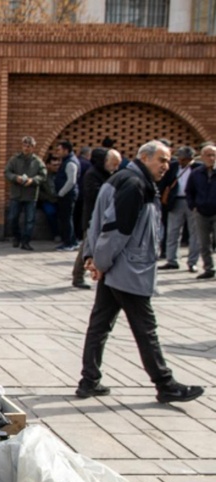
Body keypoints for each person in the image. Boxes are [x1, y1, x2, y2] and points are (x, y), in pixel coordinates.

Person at [77, 140, 203, 404]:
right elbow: (115, 230)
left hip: (115, 267)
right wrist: (99, 262)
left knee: (99, 325)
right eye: (162, 160)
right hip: (126, 270)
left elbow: (97, 222)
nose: (166, 166)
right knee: (146, 328)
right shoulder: (134, 184)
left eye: (167, 161)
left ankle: (89, 381)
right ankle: (165, 384)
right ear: (145, 158)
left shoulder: (126, 179)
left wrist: (94, 257)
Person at [72, 148, 119, 290]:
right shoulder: (92, 174)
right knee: (86, 247)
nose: (116, 168)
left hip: (104, 217)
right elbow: (94, 195)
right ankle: (78, 276)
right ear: (104, 161)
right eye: (113, 164)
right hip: (92, 218)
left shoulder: (108, 175)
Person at [5, 136, 45, 250]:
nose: (26, 148)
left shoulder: (37, 161)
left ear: (33, 147)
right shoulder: (14, 159)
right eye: (24, 145)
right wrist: (15, 178)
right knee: (12, 218)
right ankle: (16, 237)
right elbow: (7, 172)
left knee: (30, 220)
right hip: (16, 194)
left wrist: (33, 180)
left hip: (30, 194)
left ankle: (26, 241)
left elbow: (43, 176)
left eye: (29, 146)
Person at [161, 146, 195, 270]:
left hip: (192, 203)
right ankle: (172, 260)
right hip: (176, 201)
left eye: (184, 159)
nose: (181, 161)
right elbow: (165, 182)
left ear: (190, 159)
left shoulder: (197, 168)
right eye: (179, 158)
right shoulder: (173, 167)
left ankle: (192, 262)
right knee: (172, 232)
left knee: (194, 233)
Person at [188, 144, 216, 280]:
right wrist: (193, 206)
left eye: (213, 155)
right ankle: (209, 268)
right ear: (202, 157)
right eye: (208, 155)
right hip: (201, 212)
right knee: (204, 243)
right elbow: (189, 191)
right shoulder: (196, 173)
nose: (211, 158)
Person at [53, 140, 80, 250]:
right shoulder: (67, 161)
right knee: (67, 218)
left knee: (66, 219)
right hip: (67, 195)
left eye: (59, 150)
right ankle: (71, 241)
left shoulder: (70, 163)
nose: (57, 152)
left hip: (67, 196)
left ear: (66, 150)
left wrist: (61, 193)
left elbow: (71, 181)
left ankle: (69, 243)